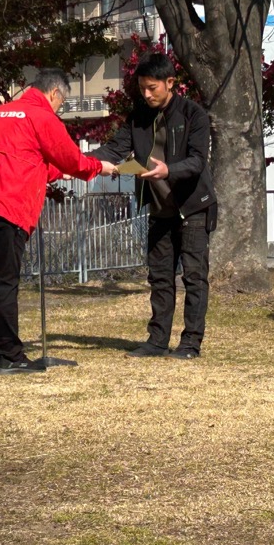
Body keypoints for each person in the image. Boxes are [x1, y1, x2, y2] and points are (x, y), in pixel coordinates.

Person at [0, 69, 115, 375]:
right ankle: (9, 355)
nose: (59, 108)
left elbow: (28, 161)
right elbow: (71, 158)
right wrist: (99, 167)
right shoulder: (41, 116)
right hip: (9, 206)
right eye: (62, 102)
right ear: (54, 93)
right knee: (5, 283)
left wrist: (62, 171)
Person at [91, 52, 217, 359]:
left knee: (194, 277)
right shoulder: (138, 116)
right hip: (159, 210)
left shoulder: (194, 115)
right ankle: (157, 341)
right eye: (142, 88)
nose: (146, 94)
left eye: (152, 88)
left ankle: (190, 344)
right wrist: (79, 162)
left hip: (193, 208)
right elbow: (115, 149)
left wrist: (168, 170)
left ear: (170, 82)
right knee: (159, 277)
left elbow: (198, 160)